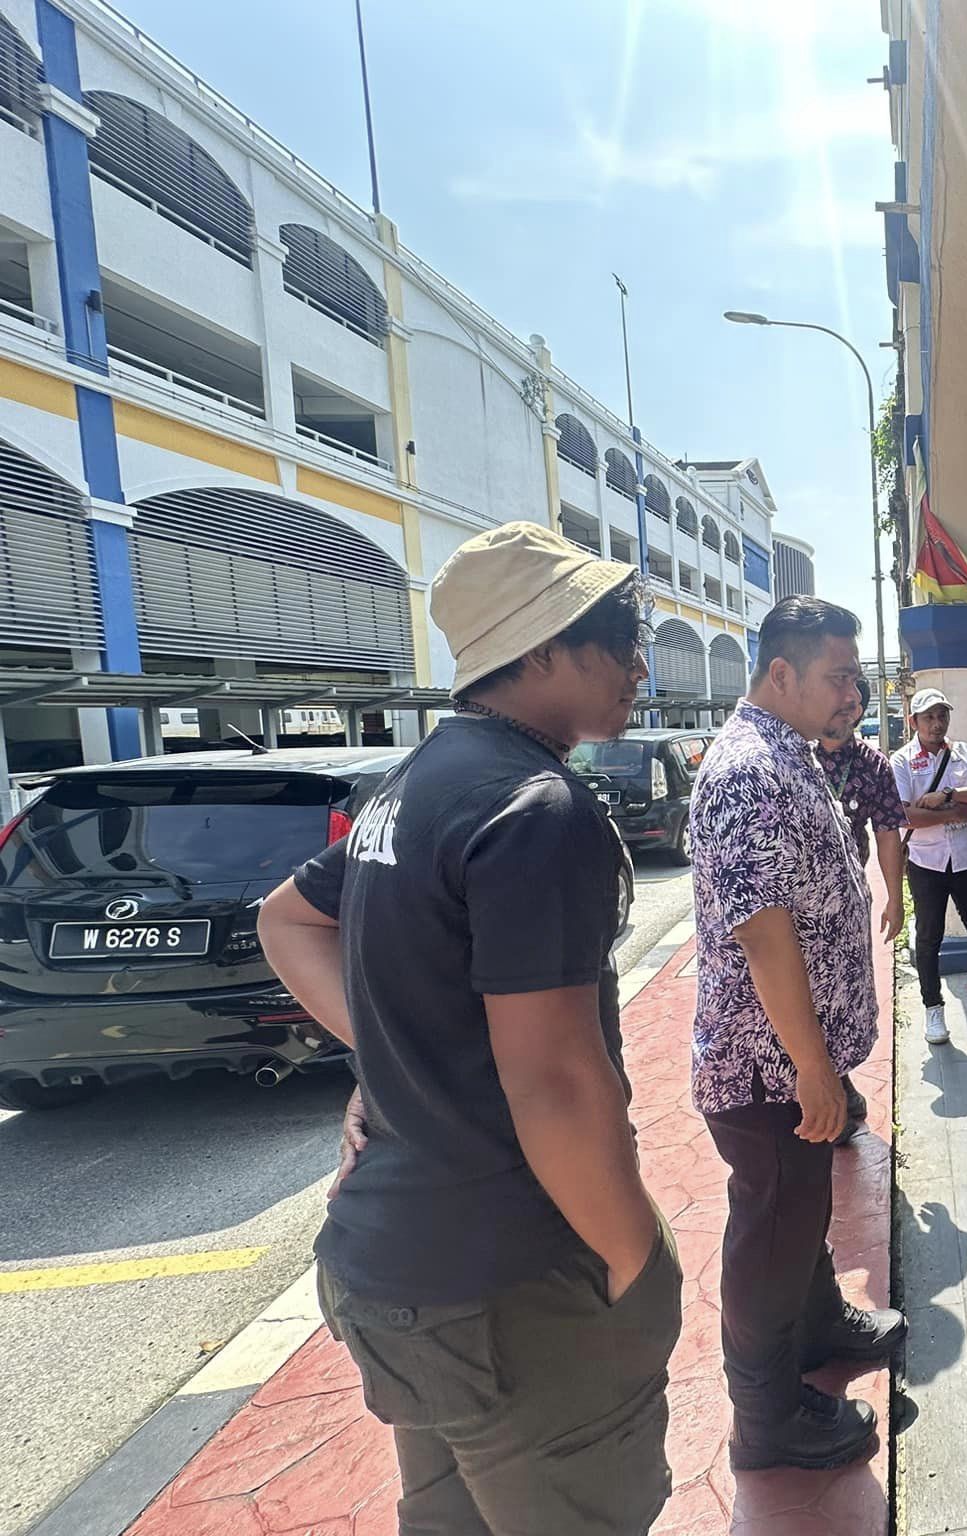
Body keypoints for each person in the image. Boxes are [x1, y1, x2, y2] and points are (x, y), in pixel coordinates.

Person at [256, 523, 682, 1534]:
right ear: (533, 648)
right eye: (613, 634)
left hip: (385, 1271)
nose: (636, 662)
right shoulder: (535, 807)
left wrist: (397, 1054)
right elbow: (558, 1088)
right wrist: (638, 1261)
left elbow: (287, 918)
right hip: (512, 1286)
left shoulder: (410, 785)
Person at [688, 597, 906, 1472]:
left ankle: (818, 1327)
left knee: (802, 1209)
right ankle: (767, 1416)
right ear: (781, 674)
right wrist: (814, 1070)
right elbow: (765, 930)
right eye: (839, 676)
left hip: (790, 1063)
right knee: (771, 1231)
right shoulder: (750, 768)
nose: (853, 692)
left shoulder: (788, 753)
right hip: (767, 1068)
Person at [816, 677, 909, 1143]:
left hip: (849, 901)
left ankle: (839, 1079)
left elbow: (889, 830)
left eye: (857, 703)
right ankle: (820, 1085)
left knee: (845, 997)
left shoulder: (873, 764)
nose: (847, 708)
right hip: (793, 904)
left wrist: (896, 897)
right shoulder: (794, 753)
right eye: (841, 697)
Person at [893, 687, 967, 1045]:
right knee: (928, 937)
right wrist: (957, 810)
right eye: (929, 717)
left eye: (942, 716)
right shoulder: (902, 761)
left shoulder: (964, 753)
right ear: (914, 722)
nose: (937, 724)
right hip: (927, 863)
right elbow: (905, 814)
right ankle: (932, 1007)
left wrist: (947, 796)